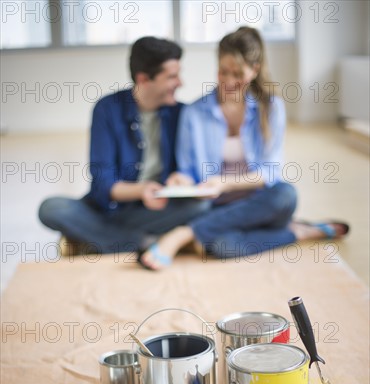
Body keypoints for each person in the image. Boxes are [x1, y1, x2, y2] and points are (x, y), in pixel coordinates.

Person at [139, 27, 349, 270]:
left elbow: (269, 172)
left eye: (237, 73)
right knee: (222, 246)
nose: (228, 81)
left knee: (286, 194)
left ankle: (183, 234)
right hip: (216, 208)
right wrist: (180, 179)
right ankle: (299, 231)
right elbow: (188, 169)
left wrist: (225, 183)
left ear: (255, 70)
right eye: (223, 72)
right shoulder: (194, 113)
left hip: (262, 203)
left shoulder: (271, 108)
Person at [38, 36, 210, 254]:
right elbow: (102, 183)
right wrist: (142, 190)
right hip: (110, 210)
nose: (180, 83)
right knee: (52, 208)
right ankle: (144, 243)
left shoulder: (181, 114)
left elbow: (191, 170)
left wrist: (182, 179)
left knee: (201, 206)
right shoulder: (107, 109)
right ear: (144, 79)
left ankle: (97, 239)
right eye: (172, 77)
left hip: (154, 211)